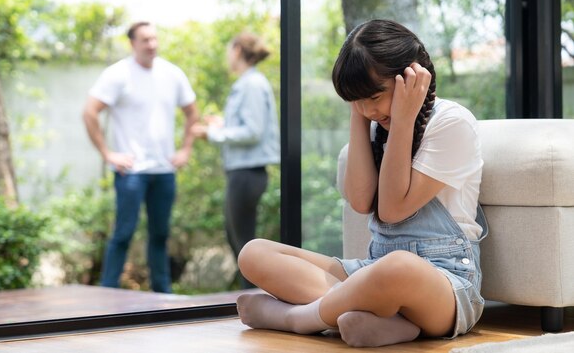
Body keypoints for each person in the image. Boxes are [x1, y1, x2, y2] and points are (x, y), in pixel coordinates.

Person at [235, 19, 487, 347]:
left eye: (375, 96)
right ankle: (383, 321)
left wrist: (404, 119)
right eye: (357, 100)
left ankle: (298, 318)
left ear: (412, 78)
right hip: (372, 271)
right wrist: (359, 114)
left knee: (398, 267)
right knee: (254, 253)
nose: (369, 109)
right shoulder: (373, 121)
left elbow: (393, 209)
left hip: (445, 282)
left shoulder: (453, 123)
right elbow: (360, 201)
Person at [83, 21, 199, 293]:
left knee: (160, 236)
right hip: (131, 172)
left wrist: (186, 149)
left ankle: (163, 296)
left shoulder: (172, 74)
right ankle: (106, 294)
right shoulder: (117, 74)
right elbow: (90, 112)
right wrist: (107, 153)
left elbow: (192, 112)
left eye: (155, 39)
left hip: (163, 171)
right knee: (123, 234)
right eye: (145, 40)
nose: (152, 45)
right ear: (132, 43)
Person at [191, 32, 280, 288]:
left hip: (247, 172)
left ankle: (256, 300)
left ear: (238, 50)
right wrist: (221, 125)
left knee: (243, 244)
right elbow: (247, 126)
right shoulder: (248, 83)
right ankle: (252, 299)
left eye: (229, 50)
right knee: (238, 239)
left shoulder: (251, 84)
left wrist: (212, 134)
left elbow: (253, 131)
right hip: (242, 171)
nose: (227, 56)